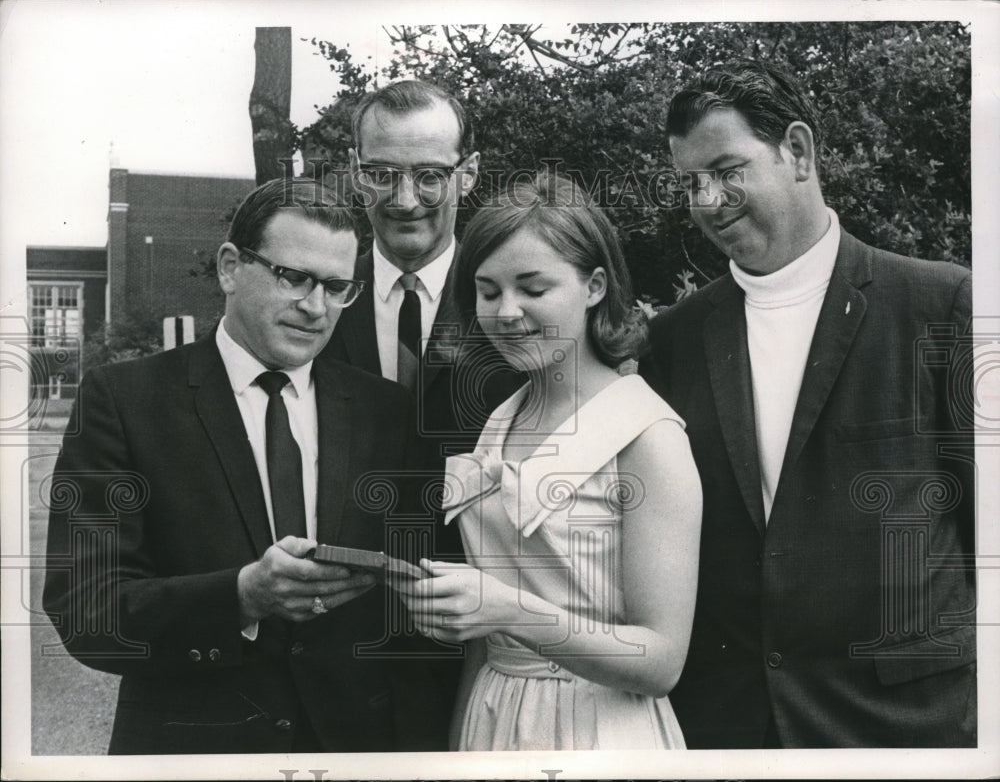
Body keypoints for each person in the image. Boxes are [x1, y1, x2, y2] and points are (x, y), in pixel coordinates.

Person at [640, 61, 976, 748]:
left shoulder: (944, 304)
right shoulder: (669, 340)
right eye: (690, 183)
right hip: (730, 731)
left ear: (798, 150)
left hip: (908, 729)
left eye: (727, 169)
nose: (707, 201)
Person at [43, 178, 428, 754]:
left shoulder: (389, 413)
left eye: (336, 286)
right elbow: (86, 610)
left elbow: (411, 618)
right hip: (190, 755)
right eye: (293, 277)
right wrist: (242, 596)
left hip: (356, 751)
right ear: (229, 267)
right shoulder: (123, 401)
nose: (315, 307)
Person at [393, 174, 702, 751]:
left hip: (599, 729)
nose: (507, 312)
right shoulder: (498, 423)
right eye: (488, 292)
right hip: (493, 719)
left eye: (532, 289)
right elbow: (484, 638)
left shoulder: (646, 435)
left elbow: (661, 662)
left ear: (594, 286)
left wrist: (507, 609)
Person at [320, 80, 522, 563]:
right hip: (337, 603)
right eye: (382, 174)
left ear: (468, 174)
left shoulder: (513, 306)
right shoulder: (316, 299)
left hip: (479, 604)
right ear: (355, 171)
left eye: (430, 175)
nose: (405, 200)